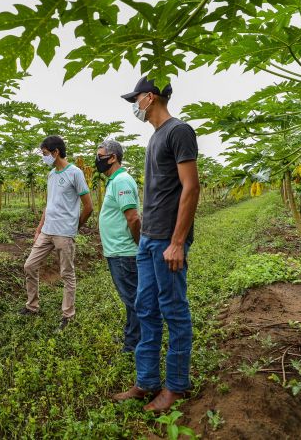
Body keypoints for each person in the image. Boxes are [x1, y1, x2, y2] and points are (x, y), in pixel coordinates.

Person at [112, 77, 200, 413]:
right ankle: (146, 381)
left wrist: (177, 242)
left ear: (149, 97)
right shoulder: (155, 136)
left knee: (173, 310)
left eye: (136, 99)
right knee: (145, 308)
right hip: (149, 239)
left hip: (167, 240)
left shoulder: (179, 131)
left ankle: (176, 386)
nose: (135, 105)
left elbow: (191, 188)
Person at [20, 135, 93, 331]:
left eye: (45, 153)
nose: (44, 157)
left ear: (56, 152)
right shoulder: (51, 174)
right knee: (29, 265)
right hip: (47, 230)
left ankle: (68, 315)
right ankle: (32, 306)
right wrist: (38, 228)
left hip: (64, 233)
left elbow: (88, 206)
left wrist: (74, 227)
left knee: (66, 274)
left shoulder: (75, 173)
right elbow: (49, 204)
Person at [96, 139, 141, 353]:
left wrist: (139, 243)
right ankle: (133, 337)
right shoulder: (115, 181)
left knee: (133, 300)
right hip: (119, 251)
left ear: (113, 157)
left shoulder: (121, 181)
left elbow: (133, 218)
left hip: (124, 252)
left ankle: (134, 344)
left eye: (100, 156)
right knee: (132, 298)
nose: (97, 161)